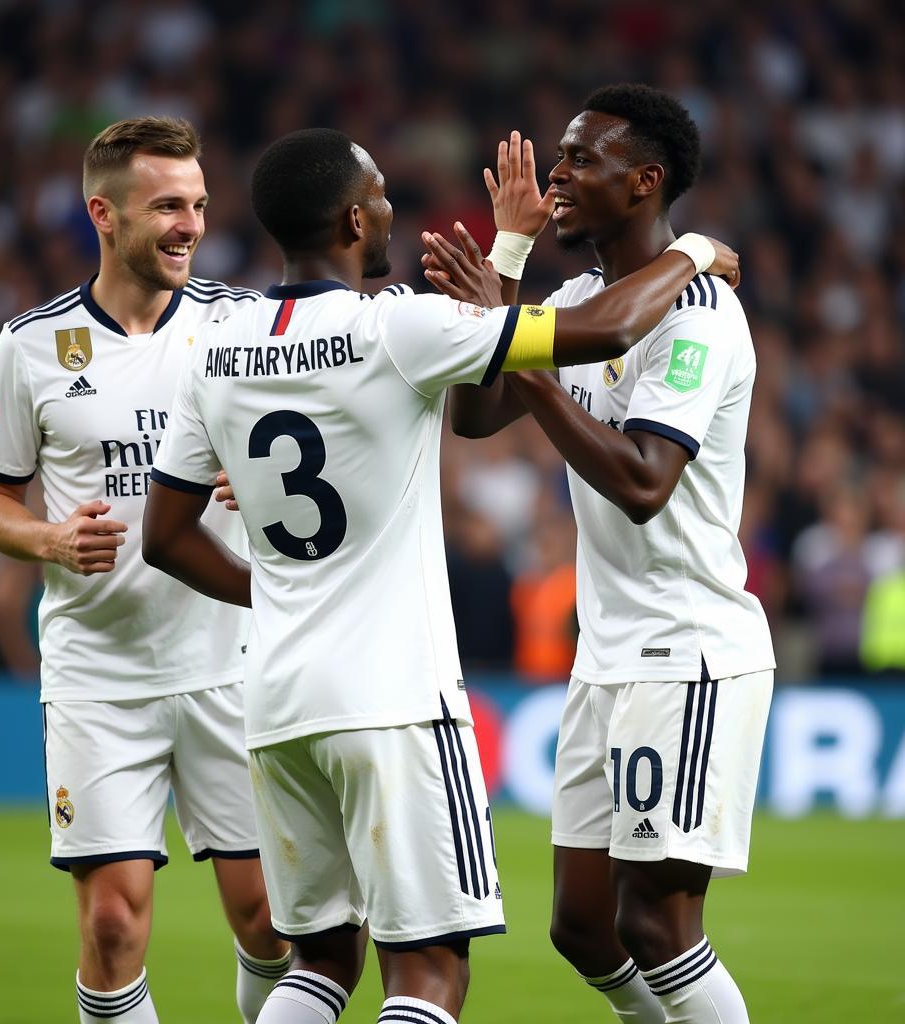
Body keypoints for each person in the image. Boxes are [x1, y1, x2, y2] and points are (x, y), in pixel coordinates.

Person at [139, 126, 738, 1024]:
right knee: (427, 974)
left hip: (274, 691)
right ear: (353, 217)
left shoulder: (215, 344)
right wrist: (697, 248)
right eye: (379, 194)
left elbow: (165, 535)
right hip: (394, 695)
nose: (391, 207)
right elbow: (604, 327)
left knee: (319, 961)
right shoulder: (401, 324)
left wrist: (283, 593)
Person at [438, 85, 776, 1024]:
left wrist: (534, 373)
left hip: (689, 650)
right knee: (583, 927)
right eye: (558, 159)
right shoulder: (580, 299)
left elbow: (640, 481)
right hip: (607, 656)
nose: (558, 176)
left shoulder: (700, 312)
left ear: (645, 182)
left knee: (660, 925)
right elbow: (472, 414)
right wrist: (506, 263)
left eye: (582, 160)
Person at [0, 116, 289, 1024]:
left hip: (231, 662)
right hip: (99, 673)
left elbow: (316, 439)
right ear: (102, 214)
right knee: (111, 925)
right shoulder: (31, 346)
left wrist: (255, 470)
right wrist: (50, 540)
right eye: (166, 208)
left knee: (269, 922)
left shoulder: (243, 323)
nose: (190, 224)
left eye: (197, 204)